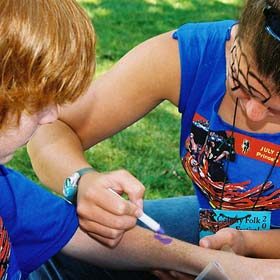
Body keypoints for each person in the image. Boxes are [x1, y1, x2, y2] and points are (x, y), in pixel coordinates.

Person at [27, 0, 280, 278]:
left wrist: (247, 255)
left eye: (276, 108)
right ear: (236, 37)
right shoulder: (192, 54)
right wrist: (81, 181)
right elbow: (52, 126)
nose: (254, 111)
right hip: (218, 231)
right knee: (61, 242)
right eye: (242, 83)